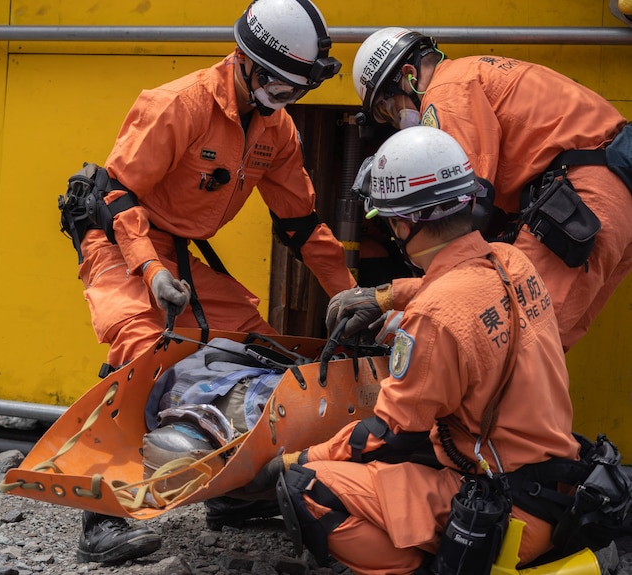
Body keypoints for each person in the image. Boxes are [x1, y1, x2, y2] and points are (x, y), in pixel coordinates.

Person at [68, 0, 356, 564]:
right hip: (120, 239)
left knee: (259, 350)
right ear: (247, 62)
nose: (287, 100)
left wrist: (347, 291)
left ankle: (235, 493)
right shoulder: (178, 104)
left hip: (177, 251)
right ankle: (101, 513)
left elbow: (300, 223)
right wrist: (150, 273)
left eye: (296, 90)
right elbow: (115, 196)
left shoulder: (277, 129)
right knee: (142, 352)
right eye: (279, 86)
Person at [245, 126, 582, 574]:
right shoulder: (510, 259)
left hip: (502, 515)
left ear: (403, 224)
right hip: (558, 490)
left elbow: (389, 434)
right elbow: (462, 286)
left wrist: (294, 458)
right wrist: (384, 296)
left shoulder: (435, 317)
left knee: (304, 487)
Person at [343, 26, 632, 351]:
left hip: (583, 195)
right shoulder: (470, 75)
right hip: (609, 196)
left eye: (386, 108)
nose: (394, 121)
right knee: (544, 345)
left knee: (512, 342)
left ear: (409, 76)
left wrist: (411, 308)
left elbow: (460, 216)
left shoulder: (445, 92)